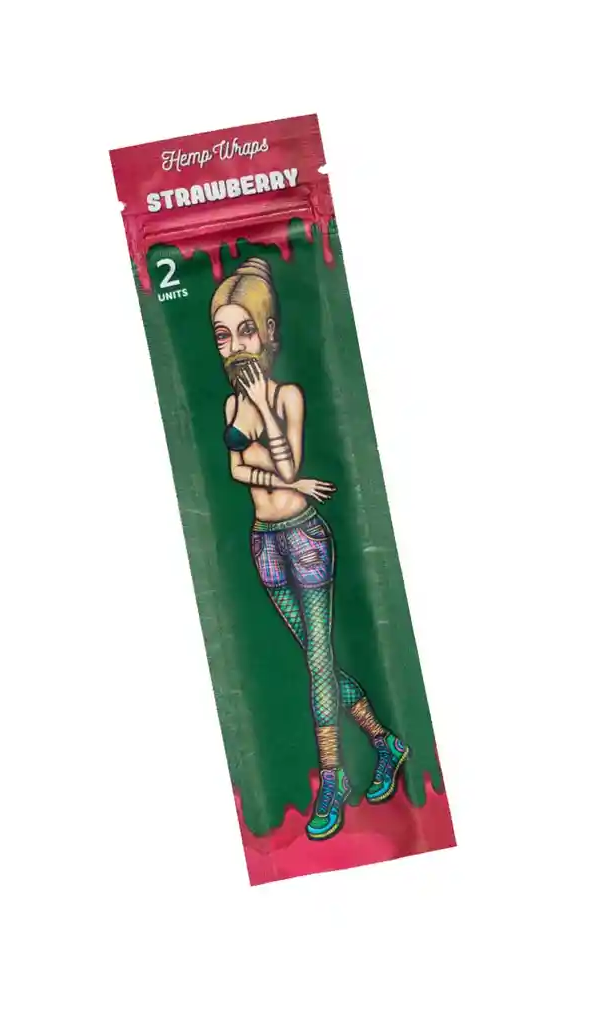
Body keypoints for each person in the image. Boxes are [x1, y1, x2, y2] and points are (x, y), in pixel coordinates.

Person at [212, 257, 409, 840]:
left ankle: (332, 777)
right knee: (316, 659)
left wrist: (268, 425)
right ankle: (385, 742)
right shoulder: (229, 405)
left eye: (245, 331)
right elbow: (237, 471)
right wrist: (290, 480)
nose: (235, 346)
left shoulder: (287, 396)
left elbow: (284, 459)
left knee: (319, 662)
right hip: (264, 544)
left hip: (304, 539)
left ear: (268, 333)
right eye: (223, 335)